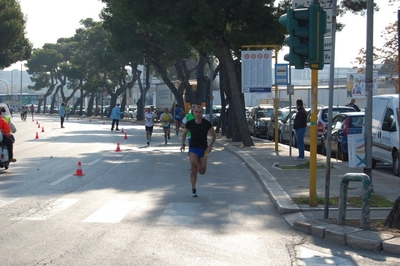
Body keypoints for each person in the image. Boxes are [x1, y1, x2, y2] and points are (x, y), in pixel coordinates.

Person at [180, 105, 216, 197]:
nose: (198, 114)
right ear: (194, 112)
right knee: (193, 166)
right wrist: (183, 144)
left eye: (200, 112)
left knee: (202, 171)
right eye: (196, 112)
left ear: (202, 113)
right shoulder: (190, 123)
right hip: (193, 148)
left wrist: (211, 146)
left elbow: (214, 135)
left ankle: (199, 165)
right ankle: (193, 188)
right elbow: (184, 134)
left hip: (203, 149)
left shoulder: (207, 124)